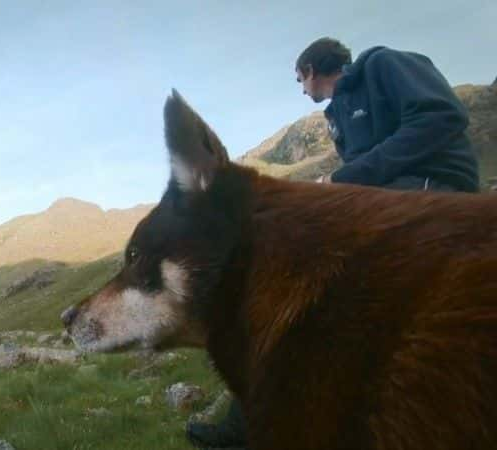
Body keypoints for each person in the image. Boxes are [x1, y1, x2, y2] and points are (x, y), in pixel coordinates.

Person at [186, 37, 480, 450]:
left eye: (298, 79)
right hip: (388, 203)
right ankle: (255, 418)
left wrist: (344, 181)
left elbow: (442, 117)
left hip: (433, 191)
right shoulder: (338, 114)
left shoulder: (382, 65)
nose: (302, 89)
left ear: (310, 69)